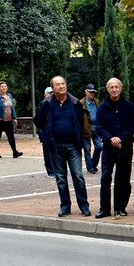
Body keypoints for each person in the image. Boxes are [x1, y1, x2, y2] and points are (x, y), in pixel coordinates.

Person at [34, 75, 91, 217]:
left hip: (73, 146)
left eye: (63, 83)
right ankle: (65, 206)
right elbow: (38, 121)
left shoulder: (75, 102)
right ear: (53, 88)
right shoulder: (47, 103)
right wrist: (46, 136)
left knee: (78, 175)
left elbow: (80, 122)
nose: (61, 86)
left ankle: (84, 206)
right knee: (60, 178)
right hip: (55, 147)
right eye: (58, 84)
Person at [95, 77, 134, 219]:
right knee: (106, 177)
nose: (114, 90)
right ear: (107, 89)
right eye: (111, 87)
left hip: (125, 147)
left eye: (116, 87)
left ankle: (121, 207)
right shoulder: (101, 107)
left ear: (120, 88)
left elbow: (132, 126)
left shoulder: (129, 106)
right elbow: (99, 127)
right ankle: (104, 208)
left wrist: (120, 138)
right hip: (108, 147)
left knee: (123, 178)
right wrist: (111, 139)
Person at [0, 80, 22, 159]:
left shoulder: (9, 96)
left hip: (8, 119)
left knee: (11, 136)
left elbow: (12, 107)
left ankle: (14, 152)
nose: (4, 88)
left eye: (5, 86)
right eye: (2, 86)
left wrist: (14, 117)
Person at [82, 84, 103, 173]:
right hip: (86, 127)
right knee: (87, 149)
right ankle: (90, 168)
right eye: (90, 92)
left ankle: (93, 164)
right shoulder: (80, 103)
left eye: (93, 92)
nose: (92, 94)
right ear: (86, 92)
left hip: (96, 127)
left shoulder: (97, 102)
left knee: (99, 146)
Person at [35, 86, 55, 177]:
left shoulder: (55, 103)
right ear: (45, 95)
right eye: (49, 93)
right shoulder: (44, 104)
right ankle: (50, 171)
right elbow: (37, 119)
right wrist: (42, 129)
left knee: (54, 151)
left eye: (52, 93)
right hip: (46, 131)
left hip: (53, 131)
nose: (51, 95)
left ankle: (53, 168)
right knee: (47, 151)